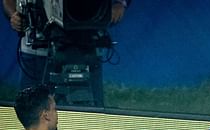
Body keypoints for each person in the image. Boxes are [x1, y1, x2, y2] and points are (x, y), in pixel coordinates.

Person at [2, 0, 130, 107]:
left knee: (90, 119)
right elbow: (8, 1)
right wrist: (14, 16)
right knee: (30, 114)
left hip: (86, 48)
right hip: (37, 52)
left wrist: (120, 3)